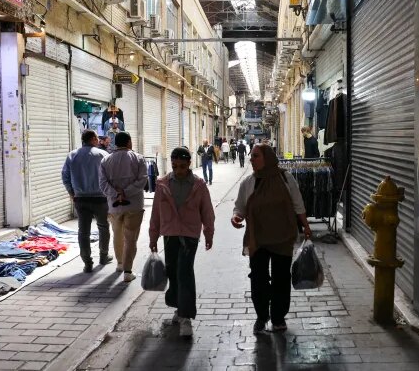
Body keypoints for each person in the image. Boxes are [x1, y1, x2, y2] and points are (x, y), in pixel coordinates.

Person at [231, 144, 311, 334]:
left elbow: (298, 204)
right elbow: (239, 207)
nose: (251, 160)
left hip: (282, 237)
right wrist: (236, 217)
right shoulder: (248, 183)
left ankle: (278, 317)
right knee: (258, 278)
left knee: (281, 278)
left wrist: (306, 226)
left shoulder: (285, 178)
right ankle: (261, 316)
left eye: (256, 156)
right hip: (257, 238)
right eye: (251, 157)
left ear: (268, 157)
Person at [150, 147, 215, 338]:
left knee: (184, 272)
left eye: (182, 166)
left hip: (189, 236)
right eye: (175, 166)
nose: (178, 170)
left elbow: (207, 212)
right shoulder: (162, 184)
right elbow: (155, 214)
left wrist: (208, 233)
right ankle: (179, 309)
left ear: (188, 165)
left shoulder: (199, 185)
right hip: (169, 235)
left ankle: (186, 317)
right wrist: (153, 237)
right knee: (172, 272)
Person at [98, 132, 148, 282]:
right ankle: (127, 271)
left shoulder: (105, 160)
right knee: (130, 237)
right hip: (134, 205)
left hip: (114, 206)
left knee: (117, 235)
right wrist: (126, 193)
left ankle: (120, 264)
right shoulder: (138, 158)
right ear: (129, 142)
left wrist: (116, 193)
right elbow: (142, 181)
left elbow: (102, 184)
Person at [62, 130, 113, 273]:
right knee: (103, 227)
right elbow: (111, 177)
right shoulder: (103, 155)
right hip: (100, 199)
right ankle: (104, 256)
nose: (98, 140)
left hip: (81, 199)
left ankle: (87, 262)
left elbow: (65, 176)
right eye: (97, 137)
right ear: (92, 139)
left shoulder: (72, 155)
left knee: (83, 231)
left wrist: (72, 193)